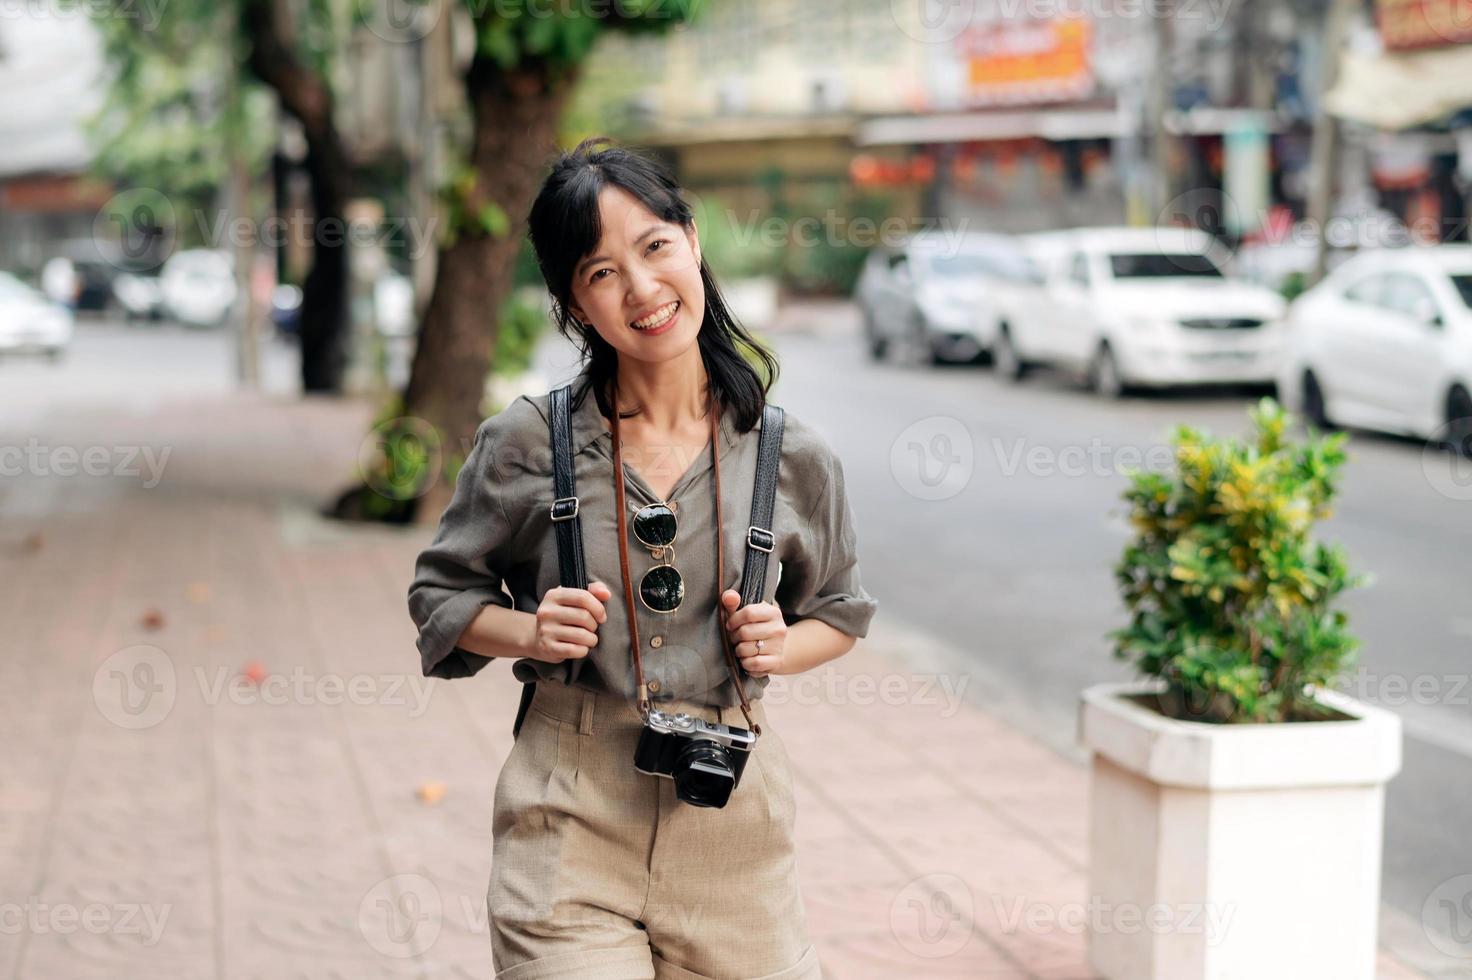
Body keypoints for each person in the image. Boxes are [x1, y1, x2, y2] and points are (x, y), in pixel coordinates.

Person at [407, 136, 878, 980]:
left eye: (655, 248)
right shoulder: (526, 443)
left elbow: (839, 613)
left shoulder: (792, 456)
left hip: (733, 820)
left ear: (692, 242)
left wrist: (780, 645)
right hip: (568, 819)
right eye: (600, 272)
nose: (643, 289)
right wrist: (530, 630)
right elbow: (440, 595)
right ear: (573, 304)